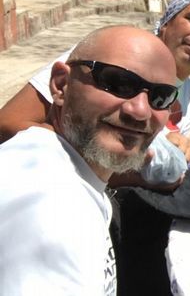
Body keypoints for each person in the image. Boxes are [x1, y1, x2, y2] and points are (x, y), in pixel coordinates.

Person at [0, 26, 177, 295]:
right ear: (61, 85)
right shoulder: (55, 210)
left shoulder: (59, 168)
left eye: (160, 97)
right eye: (118, 83)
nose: (140, 111)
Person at [0, 0, 190, 188]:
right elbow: (7, 123)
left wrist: (177, 152)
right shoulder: (107, 57)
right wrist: (134, 175)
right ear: (166, 23)